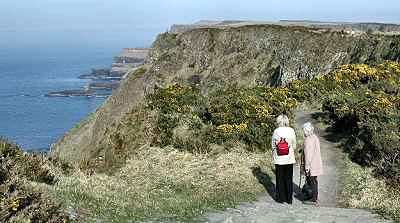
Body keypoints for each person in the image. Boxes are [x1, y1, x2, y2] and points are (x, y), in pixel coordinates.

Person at [271, 114, 296, 204]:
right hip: (289, 159)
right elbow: (294, 145)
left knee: (280, 178)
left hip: (278, 159)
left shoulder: (276, 131)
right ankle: (289, 199)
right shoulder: (291, 130)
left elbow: (273, 145)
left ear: (279, 121)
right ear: (286, 121)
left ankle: (280, 198)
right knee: (288, 178)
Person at [302, 122, 323, 205]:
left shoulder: (308, 140)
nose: (303, 132)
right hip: (316, 163)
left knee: (311, 181)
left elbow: (308, 155)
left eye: (303, 130)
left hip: (311, 165)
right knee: (314, 181)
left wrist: (307, 167)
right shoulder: (315, 137)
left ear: (306, 131)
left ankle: (312, 198)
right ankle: (314, 197)